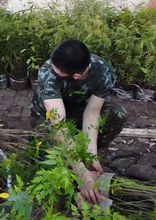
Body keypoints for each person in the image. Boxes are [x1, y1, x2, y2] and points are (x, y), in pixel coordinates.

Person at [29, 39, 127, 205]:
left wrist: (91, 155)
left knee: (117, 113)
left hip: (80, 110)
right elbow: (58, 125)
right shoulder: (47, 73)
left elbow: (92, 112)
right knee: (48, 151)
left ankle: (84, 162)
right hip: (48, 116)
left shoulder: (103, 71)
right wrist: (82, 174)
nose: (51, 68)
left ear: (77, 75)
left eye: (57, 70)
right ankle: (73, 166)